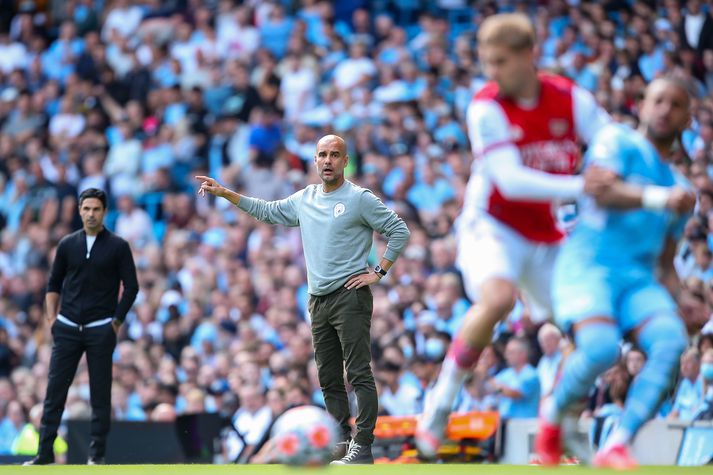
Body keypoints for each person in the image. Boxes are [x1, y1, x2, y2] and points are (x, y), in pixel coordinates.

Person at [416, 12, 611, 457]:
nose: (492, 72)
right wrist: (584, 184)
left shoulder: (570, 99)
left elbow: (610, 140)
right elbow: (511, 180)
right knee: (499, 299)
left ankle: (564, 419)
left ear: (530, 55)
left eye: (501, 61)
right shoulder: (485, 106)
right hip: (493, 225)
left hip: (547, 235)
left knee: (588, 333)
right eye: (486, 62)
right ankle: (441, 403)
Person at [196, 134, 410, 465]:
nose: (327, 160)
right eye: (322, 154)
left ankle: (363, 446)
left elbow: (399, 231)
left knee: (357, 373)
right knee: (327, 376)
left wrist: (378, 272)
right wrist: (226, 193)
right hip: (318, 299)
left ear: (345, 161)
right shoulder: (305, 198)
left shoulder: (359, 198)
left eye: (334, 155)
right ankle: (340, 441)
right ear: (314, 161)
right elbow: (267, 211)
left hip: (350, 295)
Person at [536, 77, 697, 469]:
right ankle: (553, 413)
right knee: (602, 348)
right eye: (658, 100)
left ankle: (618, 443)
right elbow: (601, 191)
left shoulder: (682, 188)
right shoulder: (617, 141)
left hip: (638, 280)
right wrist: (658, 198)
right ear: (642, 105)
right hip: (589, 269)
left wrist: (684, 300)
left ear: (688, 118)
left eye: (676, 105)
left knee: (671, 344)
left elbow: (666, 262)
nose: (665, 110)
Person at [25, 188, 139, 465]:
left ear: (104, 212)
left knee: (100, 394)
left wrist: (116, 322)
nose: (91, 214)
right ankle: (44, 454)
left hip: (100, 328)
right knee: (55, 392)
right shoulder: (67, 244)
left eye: (96, 209)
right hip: (67, 327)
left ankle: (96, 456)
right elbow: (53, 284)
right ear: (79, 210)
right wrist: (52, 320)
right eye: (86, 209)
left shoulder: (118, 246)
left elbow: (132, 287)